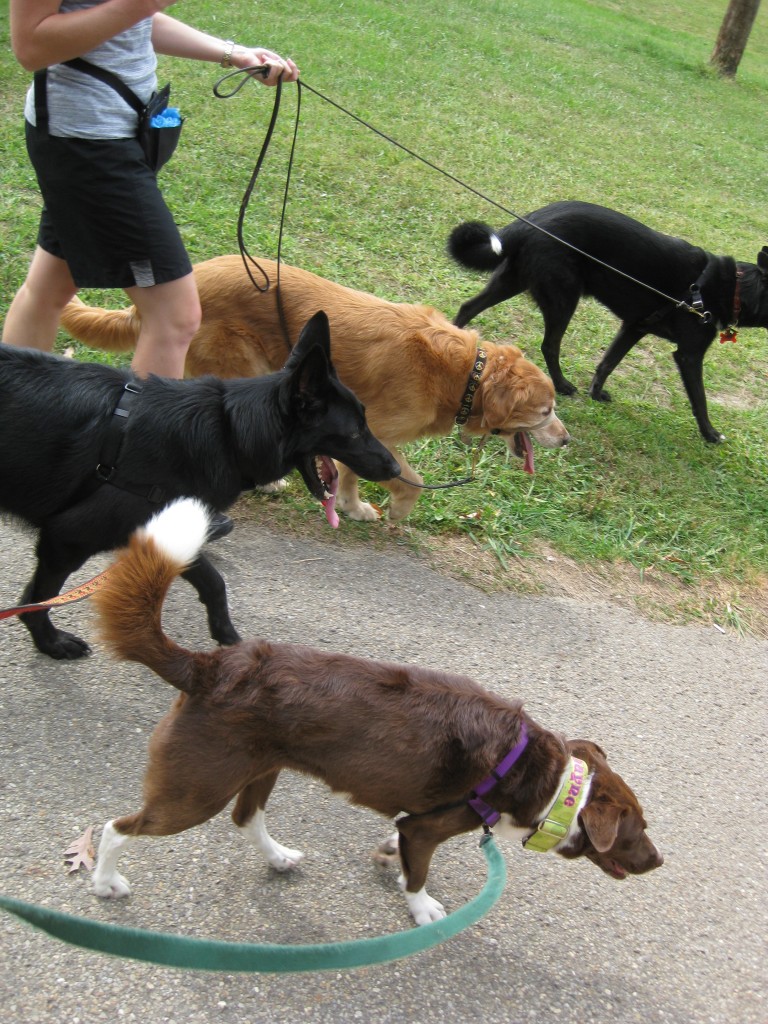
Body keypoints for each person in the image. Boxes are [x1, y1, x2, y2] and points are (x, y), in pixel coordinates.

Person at [4, 0, 299, 381]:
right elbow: (31, 47)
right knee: (175, 318)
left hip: (114, 132)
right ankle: (140, 442)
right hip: (88, 142)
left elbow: (128, 21)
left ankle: (10, 414)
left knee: (47, 291)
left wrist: (232, 53)